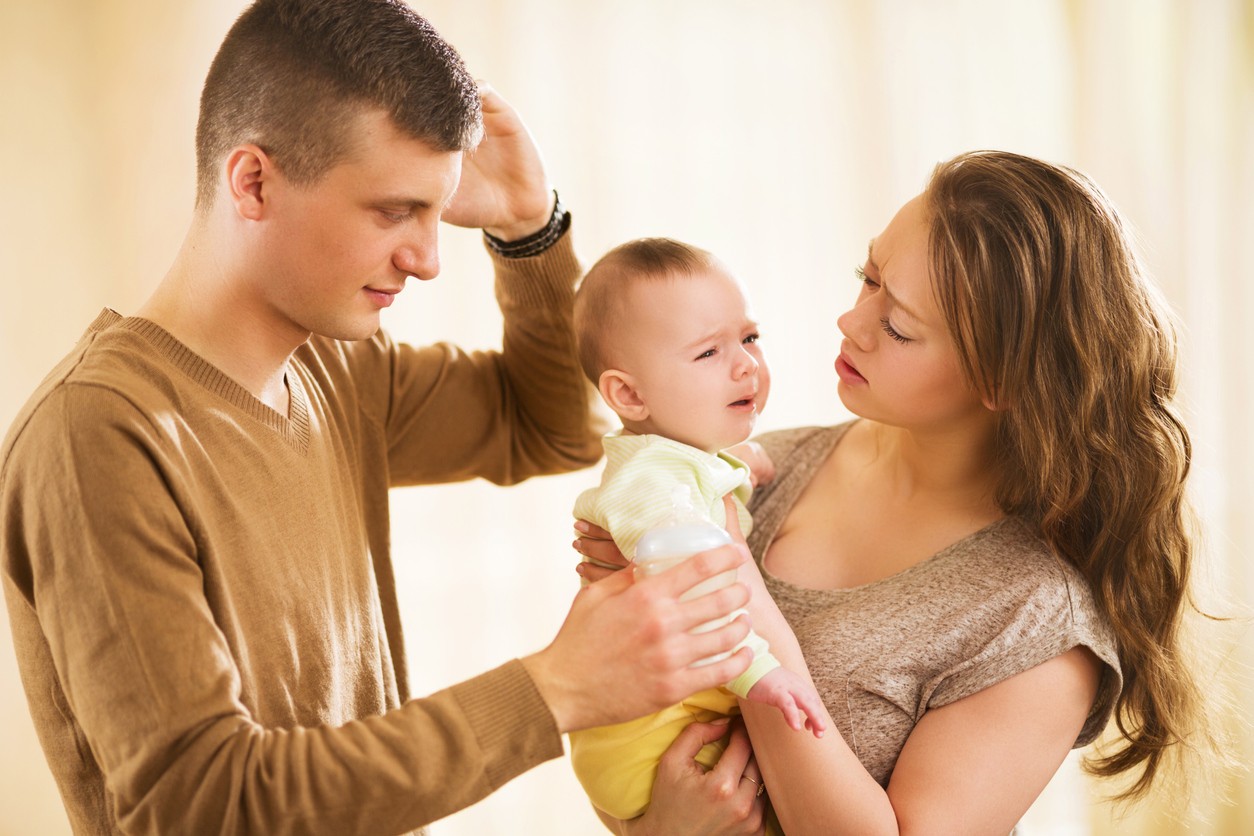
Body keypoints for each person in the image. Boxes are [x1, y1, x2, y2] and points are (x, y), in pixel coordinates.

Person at [0, 2, 759, 834]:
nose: (429, 259)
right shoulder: (97, 437)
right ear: (253, 181)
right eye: (394, 212)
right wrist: (558, 688)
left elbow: (551, 425)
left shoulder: (334, 368)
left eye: (436, 211)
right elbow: (202, 804)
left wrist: (526, 227)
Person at [577, 151, 1218, 834]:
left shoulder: (1034, 620)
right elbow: (625, 737)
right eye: (869, 277)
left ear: (1000, 381)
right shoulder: (759, 467)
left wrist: (748, 621)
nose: (851, 324)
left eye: (900, 327)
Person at [566, 239, 826, 825]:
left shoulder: (673, 459)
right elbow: (696, 594)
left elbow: (701, 477)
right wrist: (763, 674)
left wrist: (742, 461)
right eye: (708, 352)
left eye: (750, 338)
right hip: (652, 740)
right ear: (629, 395)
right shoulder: (651, 484)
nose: (746, 365)